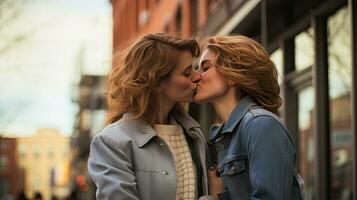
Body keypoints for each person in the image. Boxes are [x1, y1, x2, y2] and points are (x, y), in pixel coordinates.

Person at [88, 33, 212, 200]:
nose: (197, 76)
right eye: (187, 73)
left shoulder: (194, 135)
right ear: (156, 81)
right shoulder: (111, 142)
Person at [192, 35, 304, 200]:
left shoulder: (260, 125)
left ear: (232, 75)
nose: (195, 76)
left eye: (205, 67)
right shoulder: (225, 136)